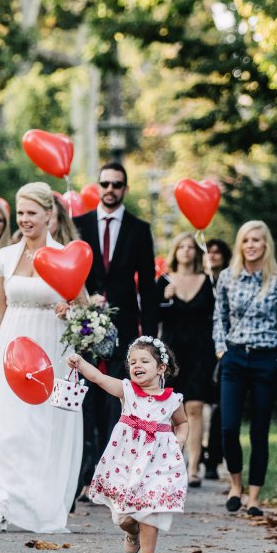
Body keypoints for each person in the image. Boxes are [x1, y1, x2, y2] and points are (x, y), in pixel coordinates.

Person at [0, 182, 86, 533]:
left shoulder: (66, 255)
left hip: (52, 345)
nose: (24, 219)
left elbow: (83, 307)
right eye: (20, 213)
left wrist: (69, 311)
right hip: (12, 343)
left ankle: (40, 504)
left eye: (31, 213)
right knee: (3, 422)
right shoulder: (6, 256)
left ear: (48, 215)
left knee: (41, 427)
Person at [72, 162, 159, 499]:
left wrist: (149, 339)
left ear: (125, 188)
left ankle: (113, 475)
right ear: (98, 186)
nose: (110, 189)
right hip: (82, 326)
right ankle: (83, 474)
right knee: (85, 398)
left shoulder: (139, 229)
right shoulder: (78, 226)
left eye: (117, 184)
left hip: (124, 328)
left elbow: (148, 286)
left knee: (120, 399)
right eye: (105, 183)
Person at [68, 336, 189, 553]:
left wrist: (179, 441)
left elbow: (183, 423)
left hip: (157, 463)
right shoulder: (127, 391)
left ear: (161, 368)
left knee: (151, 508)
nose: (137, 365)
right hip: (126, 462)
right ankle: (132, 531)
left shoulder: (173, 400)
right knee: (123, 517)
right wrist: (81, 363)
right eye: (132, 361)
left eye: (144, 361)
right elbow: (98, 378)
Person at [213, 221, 277, 516]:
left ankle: (254, 498)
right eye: (246, 240)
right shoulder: (227, 277)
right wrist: (221, 350)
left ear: (266, 245)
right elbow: (219, 317)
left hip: (265, 360)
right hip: (234, 358)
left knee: (259, 432)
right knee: (228, 427)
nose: (251, 245)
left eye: (257, 240)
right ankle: (236, 485)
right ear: (240, 244)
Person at [157, 233, 215, 488]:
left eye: (191, 247)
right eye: (181, 246)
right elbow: (152, 314)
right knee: (171, 410)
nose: (186, 251)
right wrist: (165, 299)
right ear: (175, 251)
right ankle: (172, 464)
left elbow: (216, 315)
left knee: (195, 408)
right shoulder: (164, 281)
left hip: (201, 351)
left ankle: (193, 467)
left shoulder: (209, 281)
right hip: (171, 353)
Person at [201, 238, 232, 481]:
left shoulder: (230, 281)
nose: (212, 255)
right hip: (196, 347)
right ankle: (195, 453)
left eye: (217, 252)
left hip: (221, 348)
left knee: (219, 405)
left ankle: (214, 457)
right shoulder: (195, 280)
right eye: (208, 251)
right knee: (194, 405)